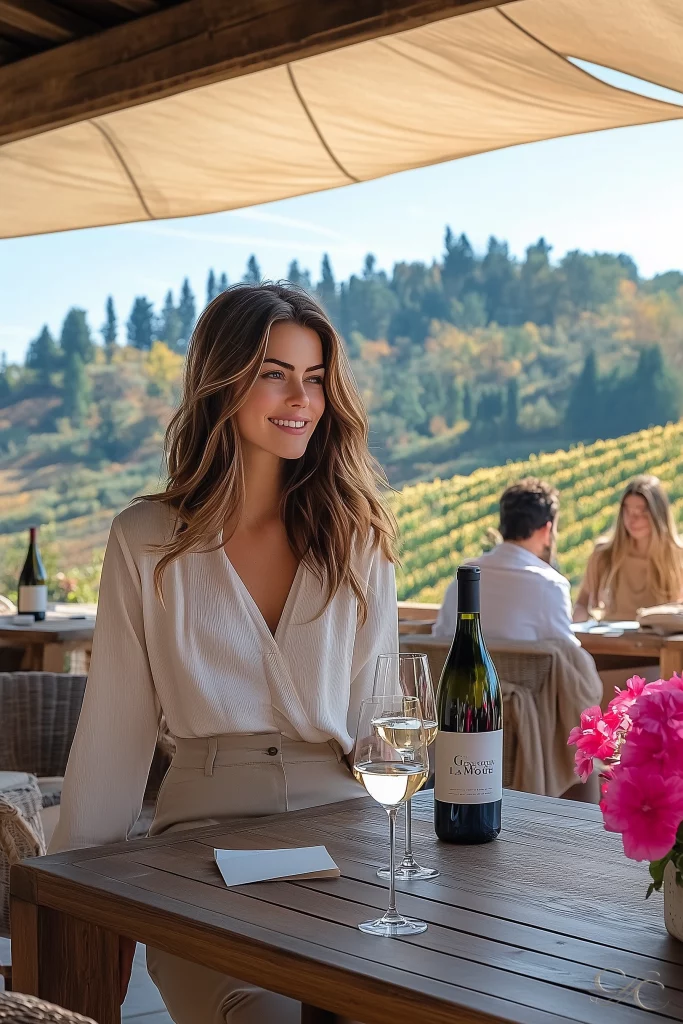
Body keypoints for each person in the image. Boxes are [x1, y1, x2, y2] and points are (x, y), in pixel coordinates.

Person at [49, 284, 399, 1024]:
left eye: (314, 378)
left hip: (342, 827)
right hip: (201, 837)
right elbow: (114, 734)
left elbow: (380, 715)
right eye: (274, 373)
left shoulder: (357, 535)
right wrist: (72, 896)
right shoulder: (147, 540)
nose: (300, 398)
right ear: (223, 382)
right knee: (257, 1012)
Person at [432, 477, 578, 646]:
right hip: (523, 665)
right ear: (547, 530)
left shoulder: (462, 581)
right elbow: (567, 654)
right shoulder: (550, 586)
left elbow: (438, 640)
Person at [574, 474, 683, 622]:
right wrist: (580, 627)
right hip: (611, 636)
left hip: (658, 637)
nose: (632, 519)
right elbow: (582, 603)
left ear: (658, 515)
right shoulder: (604, 554)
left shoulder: (678, 557)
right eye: (627, 511)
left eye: (641, 512)